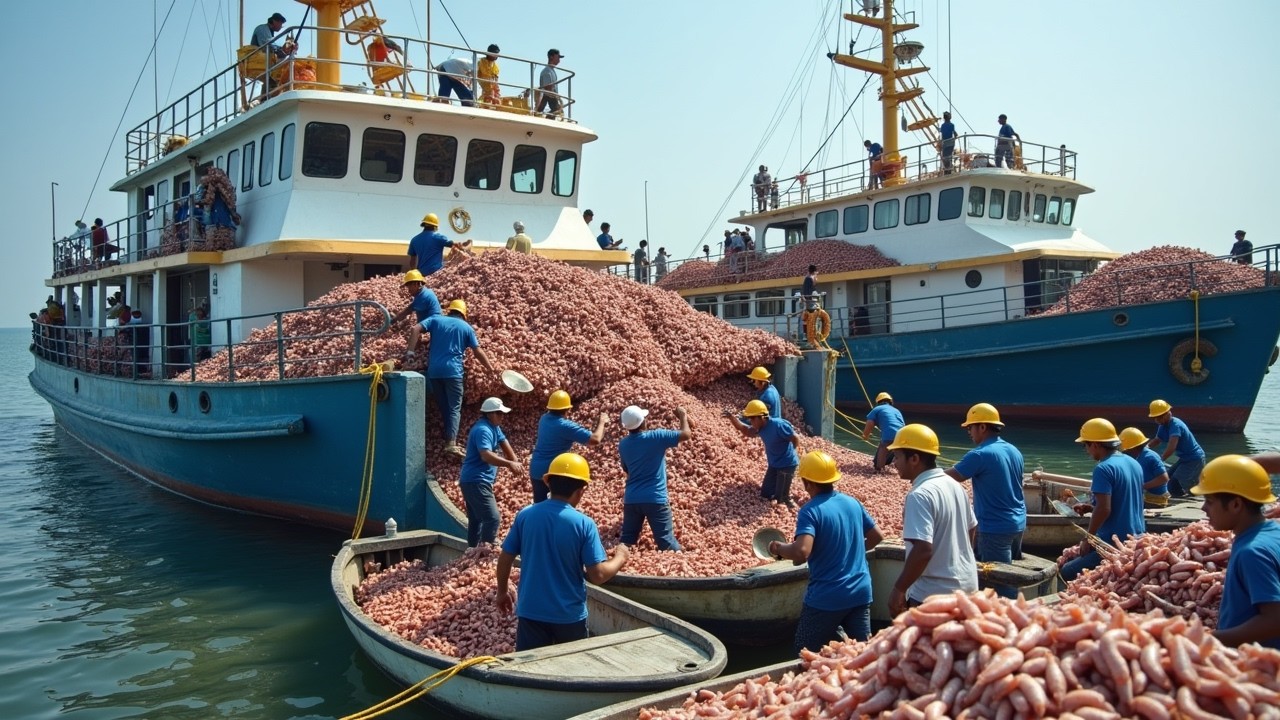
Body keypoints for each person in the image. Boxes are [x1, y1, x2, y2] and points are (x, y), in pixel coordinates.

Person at [496, 453, 630, 650]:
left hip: (531, 611)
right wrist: (620, 557)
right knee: (570, 671)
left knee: (530, 669)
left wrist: (502, 592)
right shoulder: (583, 524)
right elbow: (598, 575)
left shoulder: (525, 516)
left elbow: (505, 558)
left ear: (548, 484)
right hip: (568, 616)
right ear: (581, 491)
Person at [769, 450, 883, 653]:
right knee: (863, 653)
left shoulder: (810, 510)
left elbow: (802, 551)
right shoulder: (852, 503)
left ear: (808, 483)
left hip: (826, 598)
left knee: (804, 653)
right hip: (860, 592)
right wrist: (850, 551)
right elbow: (877, 537)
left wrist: (778, 548)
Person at [887, 424, 978, 615]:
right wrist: (957, 559)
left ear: (914, 459)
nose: (894, 463)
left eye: (897, 457)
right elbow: (972, 528)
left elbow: (922, 550)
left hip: (935, 595)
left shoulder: (919, 495)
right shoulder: (955, 486)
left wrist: (899, 589)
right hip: (967, 588)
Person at [1191, 455, 1280, 649]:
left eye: (1209, 501)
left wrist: (1212, 640)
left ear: (1236, 505)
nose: (1203, 508)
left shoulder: (1252, 552)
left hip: (1257, 663)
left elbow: (1274, 620)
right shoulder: (1273, 532)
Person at [944, 403, 1026, 599]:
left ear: (982, 427)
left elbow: (950, 477)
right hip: (1018, 524)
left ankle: (1011, 623)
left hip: (994, 528)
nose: (969, 433)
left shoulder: (980, 454)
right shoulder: (1014, 450)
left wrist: (925, 473)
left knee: (1000, 585)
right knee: (1007, 575)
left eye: (970, 428)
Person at [405, 299, 499, 455]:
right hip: (453, 373)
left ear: (449, 311)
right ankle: (451, 443)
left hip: (434, 372)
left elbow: (415, 329)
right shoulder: (466, 327)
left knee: (444, 406)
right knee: (454, 408)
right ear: (463, 314)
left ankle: (446, 438)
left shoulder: (436, 319)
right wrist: (490, 369)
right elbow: (478, 351)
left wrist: (410, 353)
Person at [1060, 418, 1146, 582]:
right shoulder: (1133, 463)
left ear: (1096, 444)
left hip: (1114, 544)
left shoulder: (1103, 468)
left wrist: (1089, 538)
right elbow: (1122, 502)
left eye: (1085, 445)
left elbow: (1105, 509)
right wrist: (1091, 507)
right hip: (1138, 539)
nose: (1086, 450)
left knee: (1066, 572)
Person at [617, 405, 690, 551]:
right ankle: (682, 566)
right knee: (666, 542)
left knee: (627, 539)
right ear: (643, 422)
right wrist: (683, 416)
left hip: (632, 499)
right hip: (655, 498)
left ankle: (620, 564)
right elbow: (686, 434)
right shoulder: (656, 436)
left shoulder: (623, 444)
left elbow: (626, 469)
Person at [458, 397, 522, 547]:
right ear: (490, 414)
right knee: (492, 518)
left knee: (476, 520)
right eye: (499, 413)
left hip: (476, 481)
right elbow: (485, 455)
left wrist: (515, 462)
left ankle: (472, 550)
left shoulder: (494, 427)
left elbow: (504, 443)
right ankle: (485, 550)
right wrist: (509, 464)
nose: (502, 416)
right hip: (476, 481)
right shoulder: (483, 430)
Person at [529, 391, 606, 503]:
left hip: (535, 469)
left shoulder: (544, 419)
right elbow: (595, 439)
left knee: (540, 506)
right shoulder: (565, 426)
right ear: (568, 410)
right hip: (552, 472)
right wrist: (602, 422)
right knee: (558, 505)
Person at [724, 399, 800, 507]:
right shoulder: (759, 428)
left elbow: (795, 438)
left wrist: (792, 452)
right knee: (766, 494)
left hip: (786, 465)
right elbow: (745, 429)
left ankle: (789, 503)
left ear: (762, 417)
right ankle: (780, 488)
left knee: (780, 499)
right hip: (774, 465)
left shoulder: (778, 425)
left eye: (752, 419)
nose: (751, 422)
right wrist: (732, 418)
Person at [1146, 399, 1205, 498]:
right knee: (1167, 478)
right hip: (1184, 459)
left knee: (1175, 483)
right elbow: (1157, 439)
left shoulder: (1175, 425)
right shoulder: (1163, 425)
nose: (1157, 420)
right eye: (1155, 418)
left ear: (1167, 414)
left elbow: (1172, 447)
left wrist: (1161, 459)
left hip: (1194, 459)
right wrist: (1146, 447)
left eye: (1159, 417)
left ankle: (1194, 495)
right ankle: (1183, 494)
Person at [1119, 427, 1171, 507]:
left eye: (1126, 450)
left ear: (1133, 448)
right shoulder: (1135, 457)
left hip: (1156, 499)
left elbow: (1164, 478)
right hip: (1145, 494)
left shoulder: (1150, 457)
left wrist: (1140, 486)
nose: (1125, 452)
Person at [408, 212, 471, 277]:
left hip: (422, 273)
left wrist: (415, 276)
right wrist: (465, 245)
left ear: (423, 225)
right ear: (435, 226)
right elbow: (454, 245)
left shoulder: (414, 240)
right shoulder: (439, 238)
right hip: (436, 272)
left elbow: (412, 261)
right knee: (451, 266)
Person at [862, 392, 905, 473]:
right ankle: (900, 468)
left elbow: (870, 422)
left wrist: (865, 435)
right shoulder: (896, 410)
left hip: (889, 434)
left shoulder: (877, 409)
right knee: (897, 450)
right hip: (903, 434)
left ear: (878, 402)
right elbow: (901, 423)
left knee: (883, 447)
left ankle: (879, 470)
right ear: (890, 402)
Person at [536, 48, 564, 117]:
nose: (559, 60)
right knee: (556, 112)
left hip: (550, 100)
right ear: (551, 57)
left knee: (556, 112)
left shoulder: (551, 71)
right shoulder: (547, 71)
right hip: (549, 101)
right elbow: (548, 91)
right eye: (558, 57)